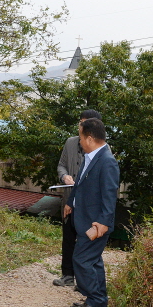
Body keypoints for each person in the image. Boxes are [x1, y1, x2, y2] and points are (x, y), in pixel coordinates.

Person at [63, 118, 120, 307]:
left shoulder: (107, 161)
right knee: (93, 261)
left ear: (89, 138)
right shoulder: (90, 157)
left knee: (81, 259)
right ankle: (98, 299)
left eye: (80, 137)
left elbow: (110, 195)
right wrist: (70, 203)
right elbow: (79, 184)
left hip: (95, 223)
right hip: (84, 217)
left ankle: (95, 300)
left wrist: (103, 222)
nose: (78, 142)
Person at [53, 109, 104, 287]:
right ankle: (67, 274)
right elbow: (61, 165)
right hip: (69, 200)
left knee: (86, 242)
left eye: (85, 123)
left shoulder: (103, 151)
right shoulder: (70, 142)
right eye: (80, 122)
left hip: (88, 206)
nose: (80, 126)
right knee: (68, 238)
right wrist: (64, 176)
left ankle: (86, 282)